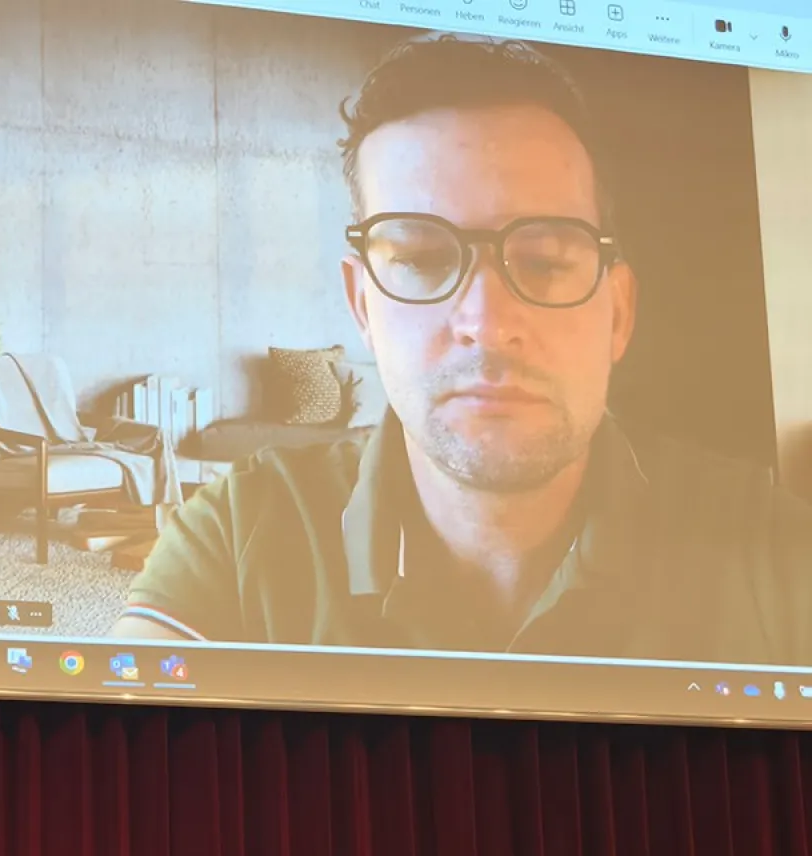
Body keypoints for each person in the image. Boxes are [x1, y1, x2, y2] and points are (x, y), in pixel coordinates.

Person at [116, 35, 812, 664]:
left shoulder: (770, 551)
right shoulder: (240, 535)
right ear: (363, 305)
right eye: (421, 259)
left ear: (619, 313)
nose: (486, 321)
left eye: (542, 261)